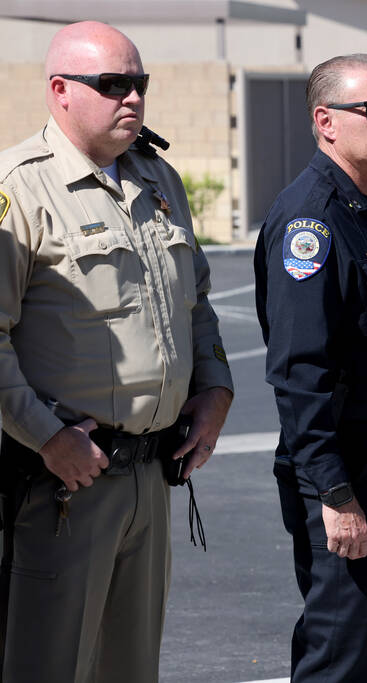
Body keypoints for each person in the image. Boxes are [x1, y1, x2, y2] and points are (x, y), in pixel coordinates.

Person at [0, 21, 234, 683]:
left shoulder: (157, 179)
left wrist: (215, 390)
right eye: (112, 85)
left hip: (149, 476)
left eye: (139, 83)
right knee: (48, 665)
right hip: (65, 480)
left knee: (132, 668)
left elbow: (199, 304)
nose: (132, 98)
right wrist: (48, 437)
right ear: (59, 91)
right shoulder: (20, 188)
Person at [254, 54, 367, 682]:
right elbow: (300, 372)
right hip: (346, 460)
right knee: (341, 650)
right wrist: (334, 493)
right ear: (325, 122)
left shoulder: (362, 206)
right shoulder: (313, 219)